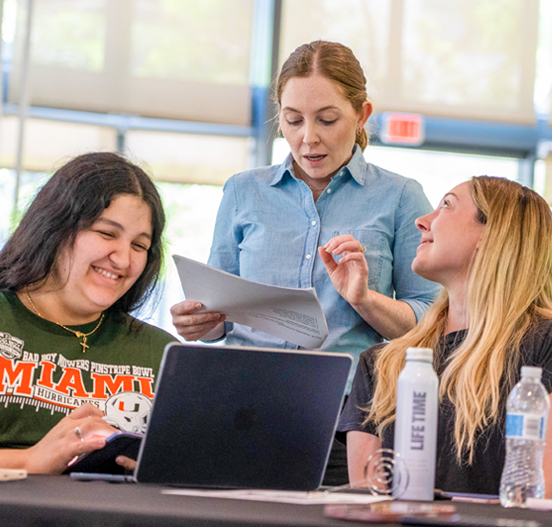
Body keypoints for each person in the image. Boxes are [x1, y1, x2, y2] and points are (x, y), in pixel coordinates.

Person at [170, 40, 440, 485]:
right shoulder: (242, 190)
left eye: (327, 120)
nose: (307, 138)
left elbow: (430, 324)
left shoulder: (400, 197)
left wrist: (365, 300)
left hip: (348, 417)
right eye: (292, 120)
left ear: (362, 115)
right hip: (243, 404)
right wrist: (203, 323)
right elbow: (219, 307)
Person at [340, 176, 552, 498]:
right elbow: (369, 504)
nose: (422, 222)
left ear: (492, 234)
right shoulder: (382, 364)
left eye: (446, 206)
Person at [0, 152, 176, 474]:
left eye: (139, 246)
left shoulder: (165, 354)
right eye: (106, 234)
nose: (123, 259)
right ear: (55, 227)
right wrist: (33, 459)